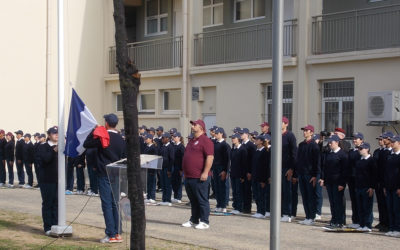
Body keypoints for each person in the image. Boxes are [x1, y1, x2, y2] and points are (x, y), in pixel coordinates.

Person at [83, 113, 126, 243]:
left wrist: (94, 131)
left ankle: (111, 234)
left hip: (104, 173)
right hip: (117, 173)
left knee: (107, 204)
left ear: (106, 123)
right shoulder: (121, 139)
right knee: (115, 203)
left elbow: (86, 144)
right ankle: (117, 232)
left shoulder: (103, 136)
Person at [181, 120, 214, 230]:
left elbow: (210, 157)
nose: (192, 126)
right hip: (189, 176)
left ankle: (204, 221)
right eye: (192, 124)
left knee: (202, 199)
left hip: (200, 176)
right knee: (193, 200)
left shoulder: (206, 141)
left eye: (195, 125)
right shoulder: (191, 141)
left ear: (202, 128)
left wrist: (205, 172)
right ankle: (194, 219)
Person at [320, 134, 348, 229]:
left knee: (338, 202)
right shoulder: (329, 154)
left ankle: (340, 221)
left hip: (338, 182)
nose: (329, 144)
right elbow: (325, 168)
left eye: (331, 142)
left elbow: (344, 171)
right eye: (329, 142)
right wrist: (324, 180)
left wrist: (342, 183)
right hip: (330, 182)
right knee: (332, 202)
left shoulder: (342, 155)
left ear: (337, 142)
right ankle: (334, 220)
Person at [296, 125, 320, 226]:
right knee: (304, 196)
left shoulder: (314, 145)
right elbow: (298, 159)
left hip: (310, 175)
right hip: (301, 174)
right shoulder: (301, 145)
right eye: (304, 130)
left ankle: (312, 216)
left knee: (310, 196)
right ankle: (307, 216)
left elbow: (317, 162)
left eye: (307, 131)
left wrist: (315, 175)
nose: (305, 132)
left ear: (311, 132)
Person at [37, 126, 59, 236]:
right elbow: (45, 159)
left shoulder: (60, 147)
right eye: (54, 133)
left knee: (56, 204)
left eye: (58, 133)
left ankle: (55, 225)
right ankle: (47, 227)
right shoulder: (43, 147)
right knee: (48, 203)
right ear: (49, 135)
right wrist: (54, 150)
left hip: (58, 180)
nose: (56, 135)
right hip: (47, 180)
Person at [354, 142, 376, 232]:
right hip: (359, 186)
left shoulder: (371, 161)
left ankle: (368, 224)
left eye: (361, 149)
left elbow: (374, 175)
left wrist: (372, 187)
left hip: (367, 187)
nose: (360, 150)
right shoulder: (359, 161)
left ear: (367, 149)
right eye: (359, 149)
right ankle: (362, 224)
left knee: (367, 207)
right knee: (360, 207)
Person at [280, 116, 297, 222]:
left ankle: (288, 213)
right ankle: (281, 212)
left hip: (287, 168)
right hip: (278, 167)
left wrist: (291, 169)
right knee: (279, 192)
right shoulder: (275, 134)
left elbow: (294, 153)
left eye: (282, 122)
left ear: (286, 124)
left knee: (287, 191)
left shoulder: (290, 136)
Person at [346, 132, 364, 229]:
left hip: (359, 179)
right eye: (353, 138)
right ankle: (355, 220)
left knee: (360, 201)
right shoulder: (351, 151)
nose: (354, 140)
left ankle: (362, 221)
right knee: (354, 200)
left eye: (356, 138)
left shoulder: (363, 151)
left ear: (361, 140)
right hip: (352, 179)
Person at [383, 135, 400, 237]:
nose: (392, 143)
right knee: (390, 208)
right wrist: (385, 186)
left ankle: (398, 228)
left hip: (396, 187)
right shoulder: (389, 155)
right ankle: (392, 227)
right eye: (391, 141)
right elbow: (386, 172)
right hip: (388, 186)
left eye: (394, 142)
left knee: (397, 209)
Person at [373, 132, 390, 232]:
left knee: (387, 204)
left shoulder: (389, 152)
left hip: (386, 182)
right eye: (379, 139)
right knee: (380, 203)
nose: (380, 141)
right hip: (378, 181)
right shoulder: (377, 151)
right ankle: (382, 221)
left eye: (382, 139)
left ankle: (387, 223)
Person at [251, 134, 270, 219]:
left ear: (261, 141)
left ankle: (262, 212)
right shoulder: (256, 151)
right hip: (255, 177)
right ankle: (258, 210)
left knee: (261, 195)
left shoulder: (265, 152)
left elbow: (265, 167)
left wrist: (264, 180)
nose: (255, 141)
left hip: (261, 178)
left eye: (257, 139)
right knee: (256, 195)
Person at [229, 133, 247, 215]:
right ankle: (235, 206)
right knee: (235, 191)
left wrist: (243, 176)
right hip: (233, 173)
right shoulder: (233, 149)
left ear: (238, 139)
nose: (232, 139)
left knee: (239, 192)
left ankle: (239, 208)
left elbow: (244, 164)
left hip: (239, 174)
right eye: (232, 138)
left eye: (234, 138)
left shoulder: (243, 149)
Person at [241, 128, 256, 214]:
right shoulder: (241, 144)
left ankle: (247, 208)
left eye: (242, 133)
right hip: (242, 171)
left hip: (248, 171)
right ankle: (243, 206)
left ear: (247, 134)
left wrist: (250, 171)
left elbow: (252, 160)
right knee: (242, 190)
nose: (241, 135)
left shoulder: (251, 145)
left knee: (247, 190)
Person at [158, 132, 175, 206]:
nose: (162, 139)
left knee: (168, 184)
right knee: (163, 184)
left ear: (168, 139)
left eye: (163, 138)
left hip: (167, 168)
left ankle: (168, 199)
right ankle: (164, 199)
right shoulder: (163, 146)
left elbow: (171, 159)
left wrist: (169, 170)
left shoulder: (170, 147)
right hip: (162, 168)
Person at [143, 133, 158, 204]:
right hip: (147, 167)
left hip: (152, 167)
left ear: (150, 139)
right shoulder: (146, 147)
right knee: (148, 183)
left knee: (152, 183)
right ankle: (149, 196)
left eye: (147, 139)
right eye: (145, 139)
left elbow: (154, 157)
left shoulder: (154, 147)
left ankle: (152, 197)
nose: (145, 140)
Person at [171, 132, 185, 204]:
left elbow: (183, 159)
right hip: (173, 166)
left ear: (179, 137)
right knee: (174, 182)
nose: (174, 138)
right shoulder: (173, 145)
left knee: (178, 182)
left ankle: (179, 197)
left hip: (178, 167)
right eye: (173, 137)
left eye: (175, 137)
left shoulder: (181, 147)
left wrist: (181, 169)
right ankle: (175, 196)